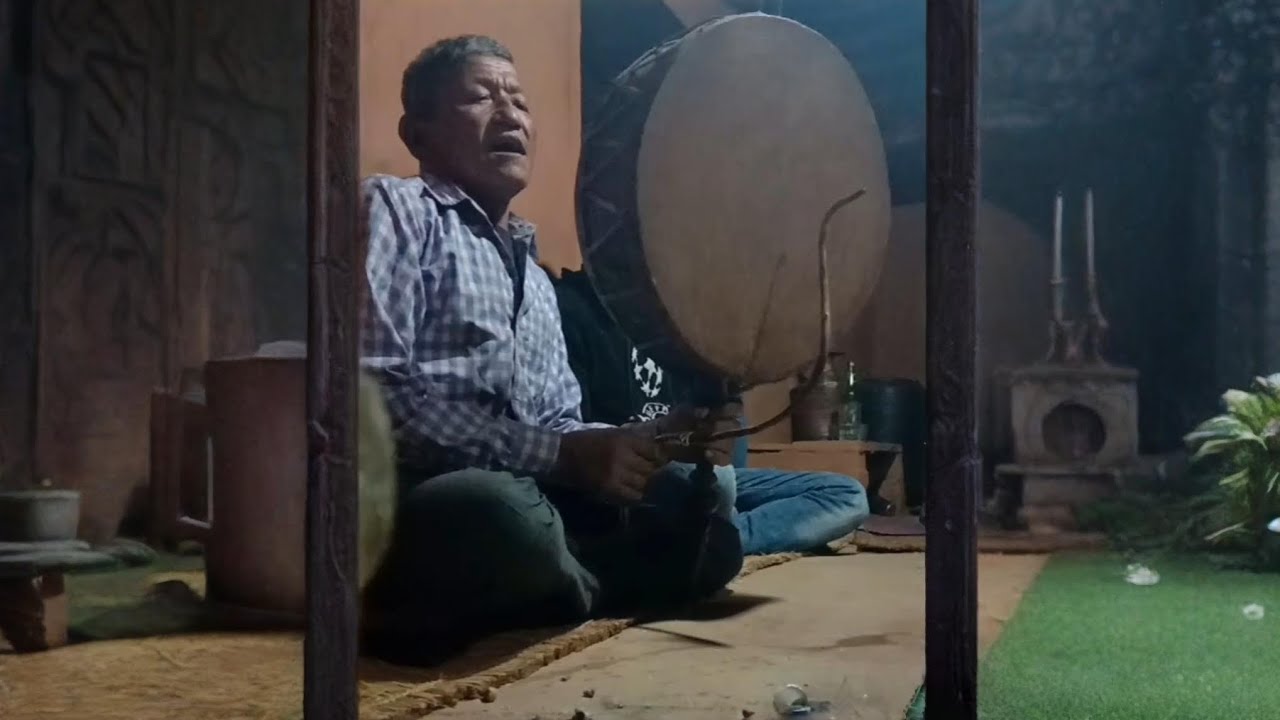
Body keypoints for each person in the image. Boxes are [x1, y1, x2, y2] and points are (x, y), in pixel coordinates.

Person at [358, 35, 744, 666]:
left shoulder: (534, 275)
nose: (510, 115)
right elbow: (373, 401)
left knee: (703, 501)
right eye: (481, 97)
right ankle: (593, 585)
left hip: (538, 489)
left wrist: (655, 439)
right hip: (423, 496)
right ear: (417, 132)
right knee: (495, 510)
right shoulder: (397, 210)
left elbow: (562, 422)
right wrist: (561, 456)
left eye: (519, 101)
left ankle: (547, 589)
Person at [551, 268, 872, 556]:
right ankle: (708, 539)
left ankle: (717, 541)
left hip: (702, 473)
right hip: (636, 476)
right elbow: (577, 439)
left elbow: (720, 438)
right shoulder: (573, 307)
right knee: (721, 483)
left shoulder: (674, 317)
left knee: (847, 495)